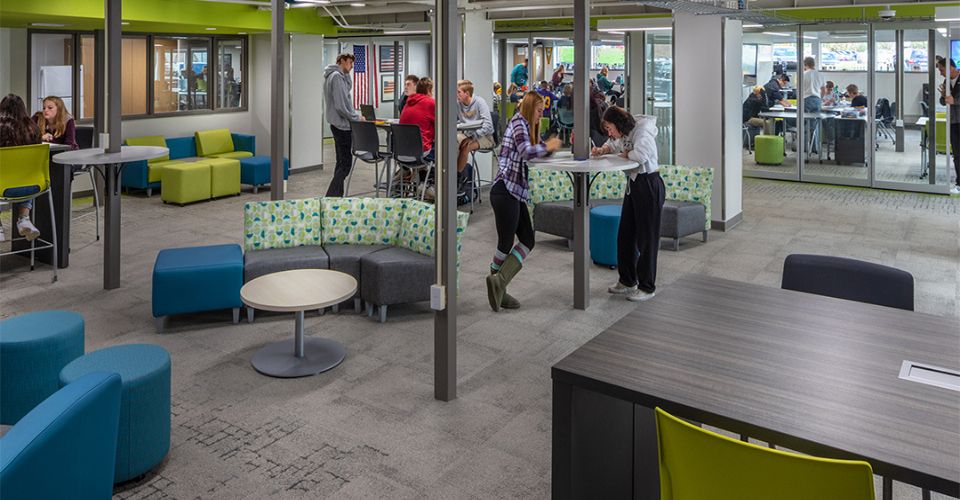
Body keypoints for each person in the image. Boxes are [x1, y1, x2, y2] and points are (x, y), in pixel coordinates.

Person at [485, 92, 561, 311]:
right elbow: (527, 152)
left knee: (528, 239)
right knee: (505, 243)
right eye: (539, 111)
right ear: (530, 108)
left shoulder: (524, 126)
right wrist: (548, 146)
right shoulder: (519, 123)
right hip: (504, 191)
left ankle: (499, 283)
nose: (541, 115)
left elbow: (530, 155)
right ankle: (499, 286)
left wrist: (548, 149)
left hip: (514, 192)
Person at [591, 107, 664, 302]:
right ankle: (627, 281)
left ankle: (647, 287)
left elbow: (642, 155)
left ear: (618, 123)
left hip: (649, 184)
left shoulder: (642, 131)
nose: (609, 132)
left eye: (609, 127)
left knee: (646, 240)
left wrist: (626, 154)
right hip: (634, 184)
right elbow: (614, 144)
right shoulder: (625, 133)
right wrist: (604, 149)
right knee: (626, 234)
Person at [0, 94, 43, 243]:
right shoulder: (33, 129)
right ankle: (24, 218)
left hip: (3, 188)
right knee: (26, 173)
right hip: (31, 187)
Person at [323, 53, 363, 197]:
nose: (351, 66)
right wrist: (356, 117)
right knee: (345, 165)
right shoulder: (336, 77)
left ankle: (336, 196)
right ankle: (331, 196)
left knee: (340, 163)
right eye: (349, 63)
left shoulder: (335, 76)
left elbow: (348, 90)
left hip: (337, 125)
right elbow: (341, 105)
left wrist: (346, 74)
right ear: (341, 61)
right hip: (342, 126)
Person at [456, 80, 494, 175]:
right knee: (451, 144)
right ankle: (459, 174)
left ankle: (457, 177)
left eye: (459, 92)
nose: (456, 94)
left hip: (485, 137)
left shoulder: (480, 102)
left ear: (467, 93)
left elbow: (488, 126)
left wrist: (473, 137)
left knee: (465, 147)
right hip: (467, 135)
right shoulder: (458, 104)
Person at [936, 56, 960, 194]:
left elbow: (953, 100)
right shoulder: (946, 81)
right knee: (957, 154)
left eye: (942, 69)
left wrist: (953, 100)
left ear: (951, 67)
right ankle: (959, 183)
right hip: (953, 122)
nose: (940, 73)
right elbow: (943, 101)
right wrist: (944, 96)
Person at [399, 77, 436, 163]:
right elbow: (441, 126)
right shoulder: (430, 103)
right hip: (420, 154)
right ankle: (456, 175)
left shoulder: (408, 102)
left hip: (400, 153)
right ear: (429, 90)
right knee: (449, 146)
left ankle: (422, 172)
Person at [800, 56, 825, 154]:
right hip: (817, 100)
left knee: (805, 123)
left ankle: (805, 147)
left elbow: (799, 90)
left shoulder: (803, 74)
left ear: (805, 64)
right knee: (815, 124)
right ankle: (815, 148)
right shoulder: (820, 74)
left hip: (806, 100)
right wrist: (821, 99)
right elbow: (823, 90)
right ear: (814, 64)